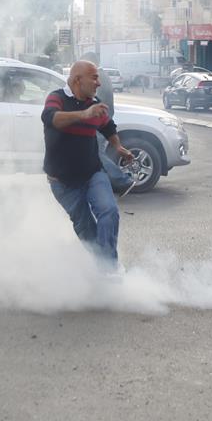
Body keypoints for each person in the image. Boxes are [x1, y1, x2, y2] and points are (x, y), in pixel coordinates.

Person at [42, 60, 135, 271]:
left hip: (93, 174)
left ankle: (109, 269)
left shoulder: (95, 103)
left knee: (109, 211)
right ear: (77, 80)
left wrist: (118, 146)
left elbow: (108, 126)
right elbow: (51, 118)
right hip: (63, 183)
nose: (98, 83)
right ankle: (101, 266)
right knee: (86, 228)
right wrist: (84, 114)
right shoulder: (56, 98)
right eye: (94, 77)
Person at [96, 66, 136, 196]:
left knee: (95, 153)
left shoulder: (98, 77)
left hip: (99, 123)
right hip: (102, 121)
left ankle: (122, 181)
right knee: (95, 154)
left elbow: (96, 103)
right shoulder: (102, 75)